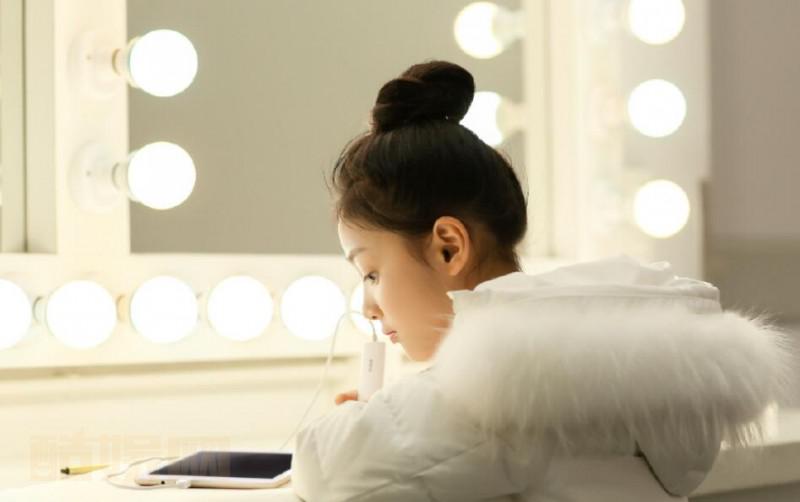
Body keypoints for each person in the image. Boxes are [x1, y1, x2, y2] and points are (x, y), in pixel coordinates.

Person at [290, 60, 791, 502]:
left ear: (449, 246)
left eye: (372, 272)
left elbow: (327, 471)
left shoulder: (511, 381)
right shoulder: (603, 362)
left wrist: (359, 422)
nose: (368, 305)